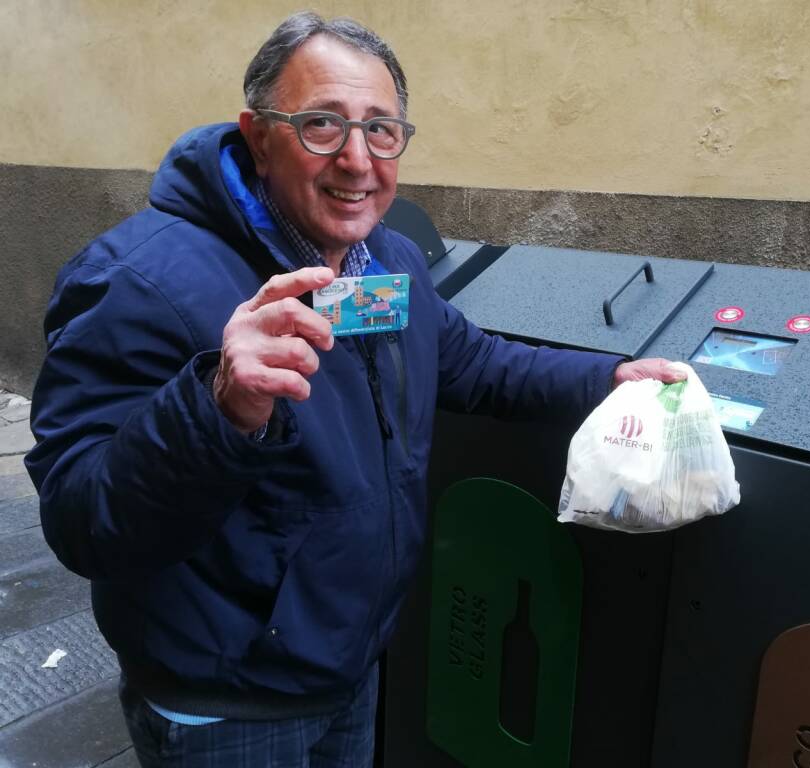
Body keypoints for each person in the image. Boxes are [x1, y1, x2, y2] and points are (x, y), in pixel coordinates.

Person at [26, 12, 683, 767]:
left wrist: (607, 379)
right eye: (320, 125)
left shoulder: (383, 258)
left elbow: (470, 361)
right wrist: (218, 405)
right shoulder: (136, 278)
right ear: (257, 134)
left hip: (350, 661)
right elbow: (83, 523)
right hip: (225, 699)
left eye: (381, 130)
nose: (357, 160)